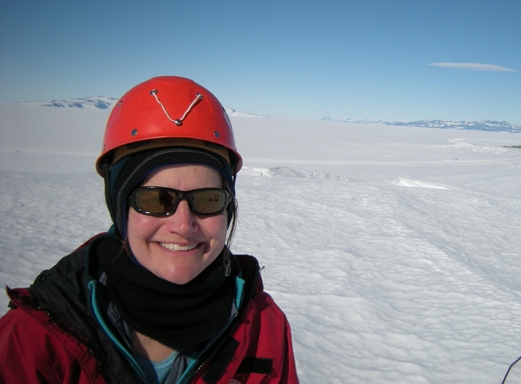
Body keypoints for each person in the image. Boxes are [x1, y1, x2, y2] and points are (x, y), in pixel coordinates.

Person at [0, 76, 299, 383]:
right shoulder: (35, 339)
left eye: (208, 200)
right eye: (156, 200)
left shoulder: (264, 327)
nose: (183, 225)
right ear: (120, 207)